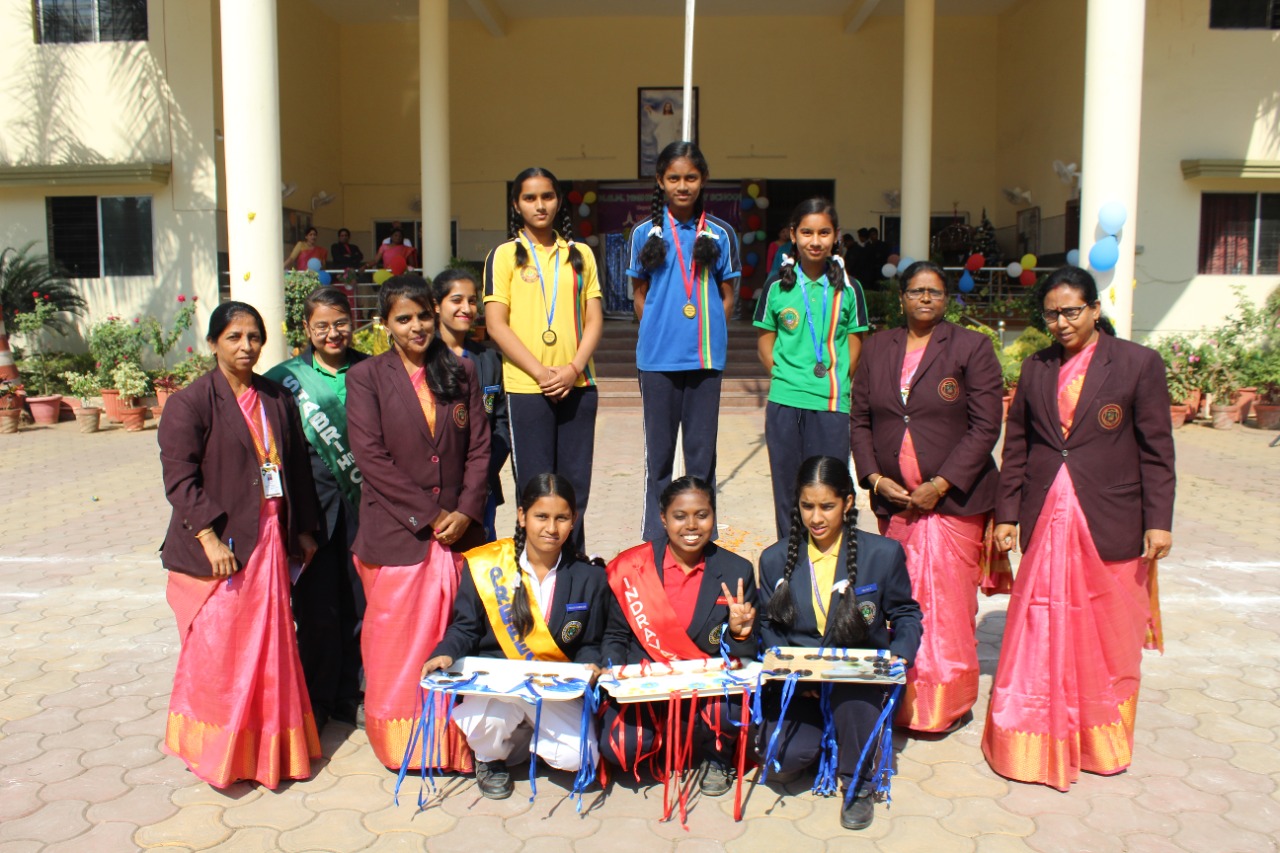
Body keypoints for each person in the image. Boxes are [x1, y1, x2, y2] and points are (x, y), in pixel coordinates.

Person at [984, 266, 1175, 791]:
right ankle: (1031, 731)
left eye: (1072, 311)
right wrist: (1006, 515)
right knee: (1041, 624)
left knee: (1108, 630)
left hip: (1110, 516)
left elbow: (1158, 452)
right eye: (1052, 313)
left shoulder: (1139, 364)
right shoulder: (1037, 369)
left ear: (1095, 308)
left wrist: (1159, 522)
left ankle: (1098, 739)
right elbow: (1017, 445)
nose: (1062, 322)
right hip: (1046, 517)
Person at [158, 301, 321, 788]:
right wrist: (208, 537)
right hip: (223, 547)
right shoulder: (191, 402)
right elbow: (180, 480)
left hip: (271, 537)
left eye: (254, 337)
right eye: (234, 337)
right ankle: (216, 747)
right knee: (220, 648)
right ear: (213, 343)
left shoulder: (274, 397)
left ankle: (269, 746)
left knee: (269, 646)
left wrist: (304, 529)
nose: (246, 346)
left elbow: (294, 468)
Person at [849, 260, 1005, 734]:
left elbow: (986, 425)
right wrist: (874, 479)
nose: (925, 299)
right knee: (903, 599)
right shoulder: (878, 348)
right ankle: (901, 698)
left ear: (946, 299)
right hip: (897, 505)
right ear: (901, 298)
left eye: (935, 292)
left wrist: (941, 484)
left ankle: (948, 704)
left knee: (950, 607)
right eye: (916, 291)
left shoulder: (971, 347)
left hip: (954, 504)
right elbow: (859, 421)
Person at [345, 274, 491, 771]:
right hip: (397, 534)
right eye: (403, 319)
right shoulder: (366, 378)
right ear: (385, 324)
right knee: (394, 646)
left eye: (423, 316)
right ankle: (404, 745)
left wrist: (467, 509)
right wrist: (430, 516)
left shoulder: (461, 371)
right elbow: (370, 457)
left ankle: (457, 741)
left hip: (458, 534)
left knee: (457, 640)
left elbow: (480, 449)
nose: (416, 327)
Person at [755, 456, 921, 831]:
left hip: (856, 682)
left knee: (854, 699)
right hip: (802, 685)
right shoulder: (774, 559)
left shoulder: (883, 554)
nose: (816, 517)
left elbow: (906, 614)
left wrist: (901, 655)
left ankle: (858, 783)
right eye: (807, 506)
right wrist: (789, 670)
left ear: (847, 503)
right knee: (783, 759)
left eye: (827, 506)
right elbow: (768, 625)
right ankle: (824, 741)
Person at [423, 474, 610, 800]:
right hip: (500, 683)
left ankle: (530, 738)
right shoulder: (487, 565)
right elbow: (466, 628)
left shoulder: (589, 577)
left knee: (579, 758)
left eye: (561, 518)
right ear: (522, 516)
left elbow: (591, 642)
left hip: (553, 686)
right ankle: (489, 759)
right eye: (541, 516)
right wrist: (445, 652)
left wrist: (591, 665)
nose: (551, 528)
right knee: (489, 724)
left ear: (573, 521)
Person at [600, 475, 757, 797]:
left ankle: (717, 757)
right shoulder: (632, 567)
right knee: (620, 750)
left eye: (702, 515)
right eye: (679, 516)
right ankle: (663, 740)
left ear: (714, 517)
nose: (692, 525)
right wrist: (615, 673)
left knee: (728, 710)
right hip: (646, 683)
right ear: (663, 518)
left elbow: (746, 656)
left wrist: (741, 635)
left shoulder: (736, 570)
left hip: (704, 688)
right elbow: (615, 634)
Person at [263, 286, 368, 732]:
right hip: (313, 510)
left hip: (367, 506)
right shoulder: (283, 380)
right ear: (306, 329)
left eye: (340, 323)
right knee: (317, 605)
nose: (332, 333)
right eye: (322, 325)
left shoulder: (372, 369)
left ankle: (357, 692)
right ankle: (318, 697)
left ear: (353, 322)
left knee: (363, 602)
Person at [482, 168, 603, 552]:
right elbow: (495, 324)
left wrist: (571, 369)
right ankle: (532, 565)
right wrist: (540, 372)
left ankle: (574, 566)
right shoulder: (503, 256)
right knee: (534, 485)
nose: (540, 205)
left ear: (558, 200)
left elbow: (595, 318)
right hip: (525, 388)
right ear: (516, 205)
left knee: (574, 484)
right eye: (530, 198)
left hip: (578, 385)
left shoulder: (579, 254)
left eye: (547, 196)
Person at [628, 141, 741, 540]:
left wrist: (705, 328)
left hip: (705, 362)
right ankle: (655, 539)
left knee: (700, 458)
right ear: (660, 181)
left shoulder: (721, 233)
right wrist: (660, 327)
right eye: (673, 177)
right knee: (657, 459)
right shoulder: (645, 233)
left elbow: (728, 295)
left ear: (703, 180)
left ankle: (700, 537)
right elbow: (639, 293)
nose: (682, 185)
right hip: (657, 360)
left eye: (690, 177)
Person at [754, 198, 870, 538]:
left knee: (830, 489)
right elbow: (765, 339)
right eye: (806, 232)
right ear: (793, 235)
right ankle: (789, 566)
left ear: (836, 236)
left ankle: (832, 565)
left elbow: (855, 343)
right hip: (785, 403)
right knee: (788, 490)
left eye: (823, 232)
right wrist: (785, 375)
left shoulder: (849, 288)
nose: (815, 241)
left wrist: (836, 379)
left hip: (831, 404)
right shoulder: (778, 287)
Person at [432, 268, 510, 542]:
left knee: (479, 569)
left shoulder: (489, 359)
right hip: (434, 492)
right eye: (456, 300)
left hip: (481, 488)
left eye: (472, 300)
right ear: (436, 305)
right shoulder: (421, 359)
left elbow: (501, 424)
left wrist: (481, 473)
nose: (466, 308)